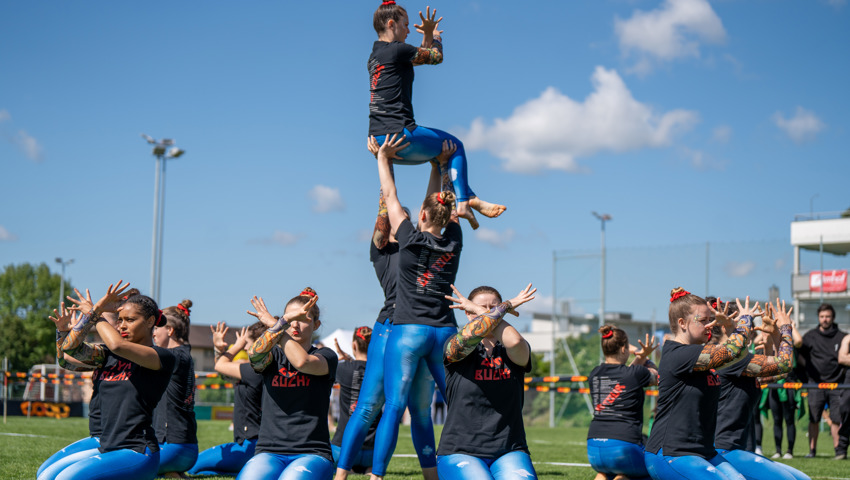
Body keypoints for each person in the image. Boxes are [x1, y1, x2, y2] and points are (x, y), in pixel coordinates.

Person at [334, 144, 451, 480]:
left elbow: (431, 210)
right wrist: (384, 169)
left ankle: (431, 477)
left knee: (421, 411)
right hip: (391, 329)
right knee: (369, 407)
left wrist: (434, 168)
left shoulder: (420, 242)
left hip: (415, 330)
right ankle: (341, 476)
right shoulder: (382, 251)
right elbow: (387, 202)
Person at [368, 133, 462, 480]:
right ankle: (461, 468)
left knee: (394, 407)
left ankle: (377, 476)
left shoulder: (406, 236)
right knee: (458, 404)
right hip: (444, 332)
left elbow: (391, 195)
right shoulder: (455, 239)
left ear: (420, 215)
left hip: (408, 331)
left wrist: (383, 158)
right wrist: (443, 165)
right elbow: (441, 204)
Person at [368, 0, 505, 229]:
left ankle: (468, 197)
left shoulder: (376, 56)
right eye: (405, 24)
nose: (409, 29)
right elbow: (435, 56)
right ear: (391, 24)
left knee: (439, 155)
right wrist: (437, 36)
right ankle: (463, 202)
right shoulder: (398, 50)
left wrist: (427, 36)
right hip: (401, 135)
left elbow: (420, 57)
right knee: (455, 145)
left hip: (379, 139)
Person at [49, 282, 175, 480]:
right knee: (45, 475)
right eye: (120, 320)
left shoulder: (161, 356)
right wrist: (63, 332)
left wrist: (95, 312)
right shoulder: (106, 354)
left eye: (130, 320)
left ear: (150, 322)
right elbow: (68, 355)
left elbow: (117, 344)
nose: (122, 325)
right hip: (108, 447)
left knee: (65, 479)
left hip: (138, 451)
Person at [644, 288, 757, 480]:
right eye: (703, 321)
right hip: (670, 453)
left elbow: (738, 355)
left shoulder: (700, 354)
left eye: (710, 320)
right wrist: (744, 320)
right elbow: (731, 352)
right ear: (682, 323)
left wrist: (730, 330)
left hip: (703, 451)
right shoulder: (679, 354)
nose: (709, 326)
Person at [436, 283, 538, 480]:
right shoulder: (454, 345)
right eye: (481, 308)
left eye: (495, 308)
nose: (489, 313)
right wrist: (502, 308)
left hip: (509, 450)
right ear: (467, 313)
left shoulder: (512, 348)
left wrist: (481, 311)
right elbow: (470, 336)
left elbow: (516, 343)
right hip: (459, 450)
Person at [235, 288, 338, 480]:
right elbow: (255, 356)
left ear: (316, 325)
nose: (295, 324)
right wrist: (280, 325)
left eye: (303, 318)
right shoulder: (273, 356)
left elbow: (302, 362)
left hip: (312, 453)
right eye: (290, 318)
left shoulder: (326, 356)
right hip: (269, 452)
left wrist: (276, 325)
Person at [711, 298, 810, 480]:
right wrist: (785, 328)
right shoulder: (730, 358)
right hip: (724, 451)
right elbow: (785, 364)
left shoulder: (736, 359)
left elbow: (780, 374)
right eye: (745, 321)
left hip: (737, 449)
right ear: (726, 327)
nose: (750, 327)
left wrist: (774, 336)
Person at [188, 321, 266, 475]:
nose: (244, 347)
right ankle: (241, 471)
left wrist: (230, 347)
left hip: (249, 446)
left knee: (191, 466)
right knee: (203, 471)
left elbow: (221, 367)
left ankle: (242, 470)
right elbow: (225, 373)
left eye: (247, 343)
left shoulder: (251, 370)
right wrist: (219, 349)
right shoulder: (269, 369)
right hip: (263, 447)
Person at [586, 326, 658, 480]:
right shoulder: (634, 374)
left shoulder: (594, 374)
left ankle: (603, 476)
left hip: (594, 450)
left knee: (606, 473)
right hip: (624, 448)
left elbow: (626, 377)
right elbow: (656, 376)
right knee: (655, 469)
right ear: (624, 348)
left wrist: (640, 356)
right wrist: (645, 356)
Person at [152, 299, 198, 477]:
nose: (153, 333)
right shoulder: (184, 354)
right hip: (184, 449)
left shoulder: (171, 357)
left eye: (156, 328)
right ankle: (172, 472)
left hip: (172, 447)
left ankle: (169, 469)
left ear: (170, 330)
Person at [795, 303, 846, 458]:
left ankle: (839, 451)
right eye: (822, 316)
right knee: (814, 418)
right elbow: (798, 352)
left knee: (836, 419)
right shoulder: (810, 336)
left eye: (828, 316)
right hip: (815, 384)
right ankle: (812, 451)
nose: (825, 319)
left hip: (837, 384)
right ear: (819, 317)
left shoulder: (842, 336)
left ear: (833, 317)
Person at [332, 327, 380, 475]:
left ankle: (349, 468)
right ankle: (369, 469)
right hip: (373, 452)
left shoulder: (341, 368)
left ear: (354, 345)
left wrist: (347, 359)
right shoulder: (381, 370)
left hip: (343, 449)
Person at [837, 331, 850, 460]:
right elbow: (842, 358)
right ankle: (842, 449)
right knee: (845, 410)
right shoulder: (847, 338)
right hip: (849, 381)